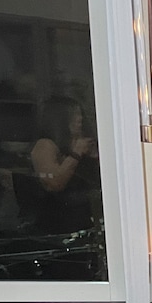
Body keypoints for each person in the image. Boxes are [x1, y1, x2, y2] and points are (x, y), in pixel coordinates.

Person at [30, 96, 101, 234]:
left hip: (87, 218)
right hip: (59, 221)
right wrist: (76, 154)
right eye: (74, 115)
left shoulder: (82, 143)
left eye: (80, 114)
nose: (79, 119)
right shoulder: (45, 145)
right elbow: (55, 183)